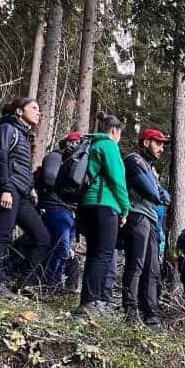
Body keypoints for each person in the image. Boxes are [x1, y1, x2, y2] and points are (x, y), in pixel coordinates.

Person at [0, 98, 51, 299]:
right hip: (7, 190)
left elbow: (19, 166)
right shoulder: (7, 129)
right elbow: (0, 158)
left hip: (21, 193)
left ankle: (24, 283)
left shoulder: (23, 134)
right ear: (20, 112)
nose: (39, 112)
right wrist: (5, 188)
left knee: (42, 237)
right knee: (3, 235)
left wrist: (30, 189)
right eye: (34, 108)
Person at [77, 113, 130, 314]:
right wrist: (125, 208)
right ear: (115, 130)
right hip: (104, 204)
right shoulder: (109, 146)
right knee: (103, 254)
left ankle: (88, 300)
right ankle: (92, 301)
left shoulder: (92, 144)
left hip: (87, 204)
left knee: (94, 253)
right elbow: (118, 180)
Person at [121, 127, 169, 328]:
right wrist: (159, 194)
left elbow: (164, 196)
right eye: (158, 143)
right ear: (146, 142)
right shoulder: (133, 160)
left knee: (152, 268)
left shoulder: (149, 167)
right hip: (136, 215)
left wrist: (159, 193)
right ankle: (130, 311)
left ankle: (151, 314)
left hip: (150, 220)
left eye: (163, 145)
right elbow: (152, 192)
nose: (161, 149)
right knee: (137, 263)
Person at [36, 131, 83, 294]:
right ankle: (51, 285)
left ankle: (57, 287)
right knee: (60, 248)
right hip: (55, 206)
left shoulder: (75, 162)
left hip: (68, 210)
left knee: (67, 251)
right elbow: (49, 178)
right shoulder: (56, 157)